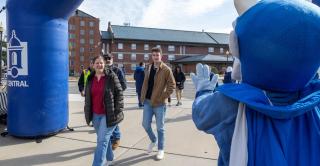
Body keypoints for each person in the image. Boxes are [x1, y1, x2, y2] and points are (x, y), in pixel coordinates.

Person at [84, 55, 124, 166]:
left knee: (102, 141)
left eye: (101, 63)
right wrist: (87, 113)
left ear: (104, 64)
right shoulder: (90, 78)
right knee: (102, 140)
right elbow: (88, 97)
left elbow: (119, 92)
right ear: (93, 64)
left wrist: (117, 110)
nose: (99, 65)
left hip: (109, 114)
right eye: (97, 63)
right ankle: (110, 158)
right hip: (96, 115)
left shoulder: (111, 76)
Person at [140, 47, 175, 160]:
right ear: (152, 56)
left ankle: (161, 149)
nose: (155, 57)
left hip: (159, 103)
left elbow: (172, 86)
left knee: (160, 128)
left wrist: (162, 97)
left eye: (157, 55)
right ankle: (154, 140)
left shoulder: (166, 69)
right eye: (153, 55)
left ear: (161, 56)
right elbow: (146, 84)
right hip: (147, 102)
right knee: (145, 124)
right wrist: (142, 97)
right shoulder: (148, 67)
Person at [103, 53, 127, 150]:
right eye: (106, 58)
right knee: (105, 121)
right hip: (104, 100)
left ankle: (116, 138)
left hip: (115, 100)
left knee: (114, 120)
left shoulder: (118, 70)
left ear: (112, 59)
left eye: (109, 58)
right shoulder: (101, 71)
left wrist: (115, 92)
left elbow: (124, 85)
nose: (108, 60)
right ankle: (109, 139)